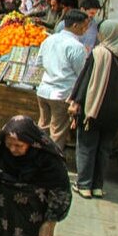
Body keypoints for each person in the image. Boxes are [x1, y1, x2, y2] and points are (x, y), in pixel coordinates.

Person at [0, 116, 72, 236]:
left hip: (29, 220)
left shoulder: (48, 159)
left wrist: (50, 223)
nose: (13, 150)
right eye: (9, 144)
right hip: (0, 214)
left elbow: (61, 192)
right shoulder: (1, 149)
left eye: (19, 145)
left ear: (31, 142)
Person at [68, 20, 118, 198]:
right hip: (115, 109)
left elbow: (85, 80)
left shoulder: (98, 53)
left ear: (104, 34)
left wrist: (76, 101)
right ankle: (97, 186)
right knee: (104, 149)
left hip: (94, 107)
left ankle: (84, 185)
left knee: (86, 146)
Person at [36, 10, 89, 150]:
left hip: (44, 91)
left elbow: (39, 62)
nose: (86, 29)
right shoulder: (77, 47)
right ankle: (52, 164)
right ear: (75, 25)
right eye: (85, 26)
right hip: (61, 94)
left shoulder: (49, 40)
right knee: (57, 134)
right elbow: (81, 73)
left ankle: (38, 158)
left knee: (43, 129)